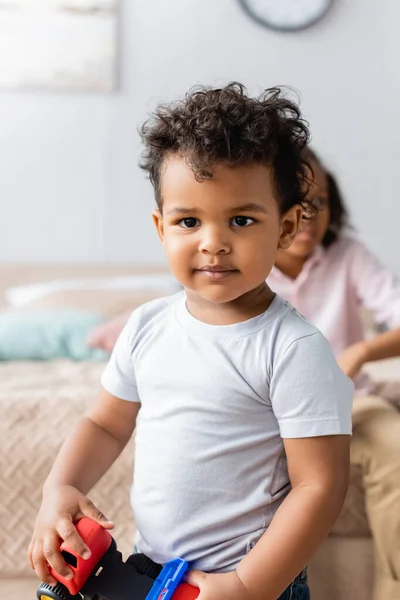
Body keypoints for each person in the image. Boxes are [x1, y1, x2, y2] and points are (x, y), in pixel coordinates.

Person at [28, 84, 353, 600]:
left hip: (245, 582)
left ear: (287, 227)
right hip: (155, 574)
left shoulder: (292, 348)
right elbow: (105, 424)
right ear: (162, 228)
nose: (213, 242)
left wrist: (248, 585)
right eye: (189, 221)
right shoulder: (146, 325)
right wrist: (59, 488)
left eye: (241, 220)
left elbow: (320, 486)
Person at [268, 147, 400, 600]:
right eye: (294, 201)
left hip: (351, 405)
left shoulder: (348, 255)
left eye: (318, 202)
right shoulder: (240, 265)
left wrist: (362, 349)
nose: (307, 215)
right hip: (268, 417)